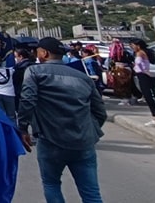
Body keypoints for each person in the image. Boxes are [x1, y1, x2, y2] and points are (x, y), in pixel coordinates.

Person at [18, 37, 106, 203]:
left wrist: (23, 128)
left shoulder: (35, 72)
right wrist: (90, 132)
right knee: (91, 193)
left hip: (50, 140)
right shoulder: (82, 77)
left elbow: (27, 101)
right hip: (83, 143)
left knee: (51, 184)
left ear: (44, 53)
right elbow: (100, 112)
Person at [12, 46, 35, 114]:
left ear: (20, 57)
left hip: (22, 95)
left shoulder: (18, 69)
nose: (15, 58)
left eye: (15, 56)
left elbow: (15, 83)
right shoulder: (34, 65)